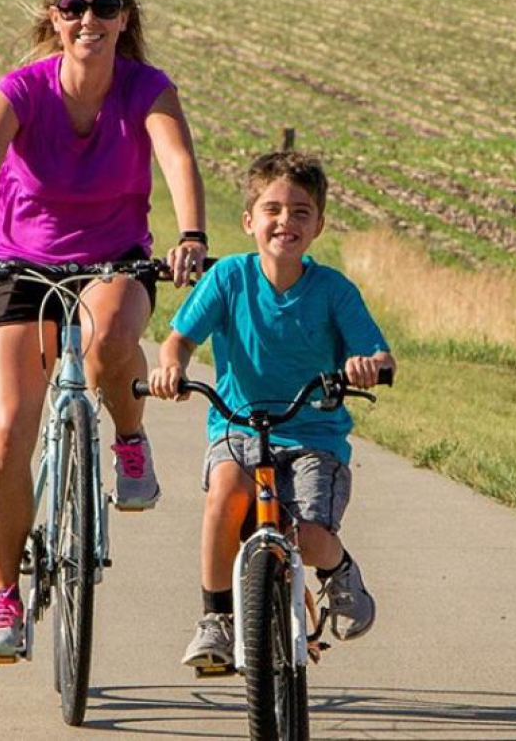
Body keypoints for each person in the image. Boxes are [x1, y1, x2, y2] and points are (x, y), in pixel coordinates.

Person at [0, 0, 210, 664]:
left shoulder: (147, 89)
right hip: (19, 269)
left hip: (113, 259)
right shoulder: (22, 91)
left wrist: (190, 236)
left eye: (106, 7)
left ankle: (126, 437)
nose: (90, 19)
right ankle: (4, 597)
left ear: (126, 19)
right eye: (75, 7)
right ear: (54, 19)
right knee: (7, 428)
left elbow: (178, 160)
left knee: (110, 339)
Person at [146, 149, 396, 671]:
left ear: (320, 225)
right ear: (249, 220)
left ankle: (339, 569)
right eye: (273, 209)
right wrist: (170, 367)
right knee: (225, 497)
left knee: (308, 532)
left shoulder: (332, 291)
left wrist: (367, 365)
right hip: (238, 427)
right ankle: (216, 618)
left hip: (313, 436)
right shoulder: (229, 279)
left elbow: (376, 351)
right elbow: (178, 343)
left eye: (302, 211)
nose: (287, 221)